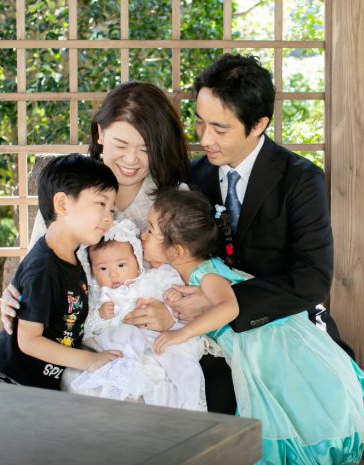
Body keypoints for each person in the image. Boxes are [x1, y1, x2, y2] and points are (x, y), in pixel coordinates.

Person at [143, 53, 352, 414]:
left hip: (281, 320)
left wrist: (222, 301)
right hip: (206, 329)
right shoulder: (196, 178)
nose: (205, 139)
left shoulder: (300, 180)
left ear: (258, 125)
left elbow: (312, 280)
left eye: (219, 128)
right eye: (200, 124)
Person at [143, 190, 364, 465]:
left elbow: (229, 308)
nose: (142, 235)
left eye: (149, 230)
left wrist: (181, 333)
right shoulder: (186, 271)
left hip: (264, 342)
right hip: (252, 336)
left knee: (278, 400)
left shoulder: (206, 275)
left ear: (177, 250)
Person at [0, 80, 190, 335]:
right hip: (78, 337)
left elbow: (198, 280)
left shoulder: (174, 199)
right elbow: (37, 263)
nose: (131, 160)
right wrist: (15, 296)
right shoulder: (71, 186)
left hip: (153, 339)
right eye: (121, 145)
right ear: (100, 133)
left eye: (145, 149)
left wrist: (173, 315)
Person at [0, 154, 122, 389]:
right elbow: (29, 341)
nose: (108, 218)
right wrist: (89, 360)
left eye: (112, 210)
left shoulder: (71, 259)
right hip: (5, 381)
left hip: (33, 383)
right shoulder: (43, 268)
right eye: (101, 204)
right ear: (61, 204)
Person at [66, 218, 207, 411]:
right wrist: (100, 316)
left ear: (137, 260)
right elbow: (87, 329)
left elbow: (176, 293)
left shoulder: (150, 280)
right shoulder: (98, 296)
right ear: (91, 270)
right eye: (103, 268)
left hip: (155, 338)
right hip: (118, 346)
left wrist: (173, 296)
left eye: (121, 265)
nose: (113, 275)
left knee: (173, 371)